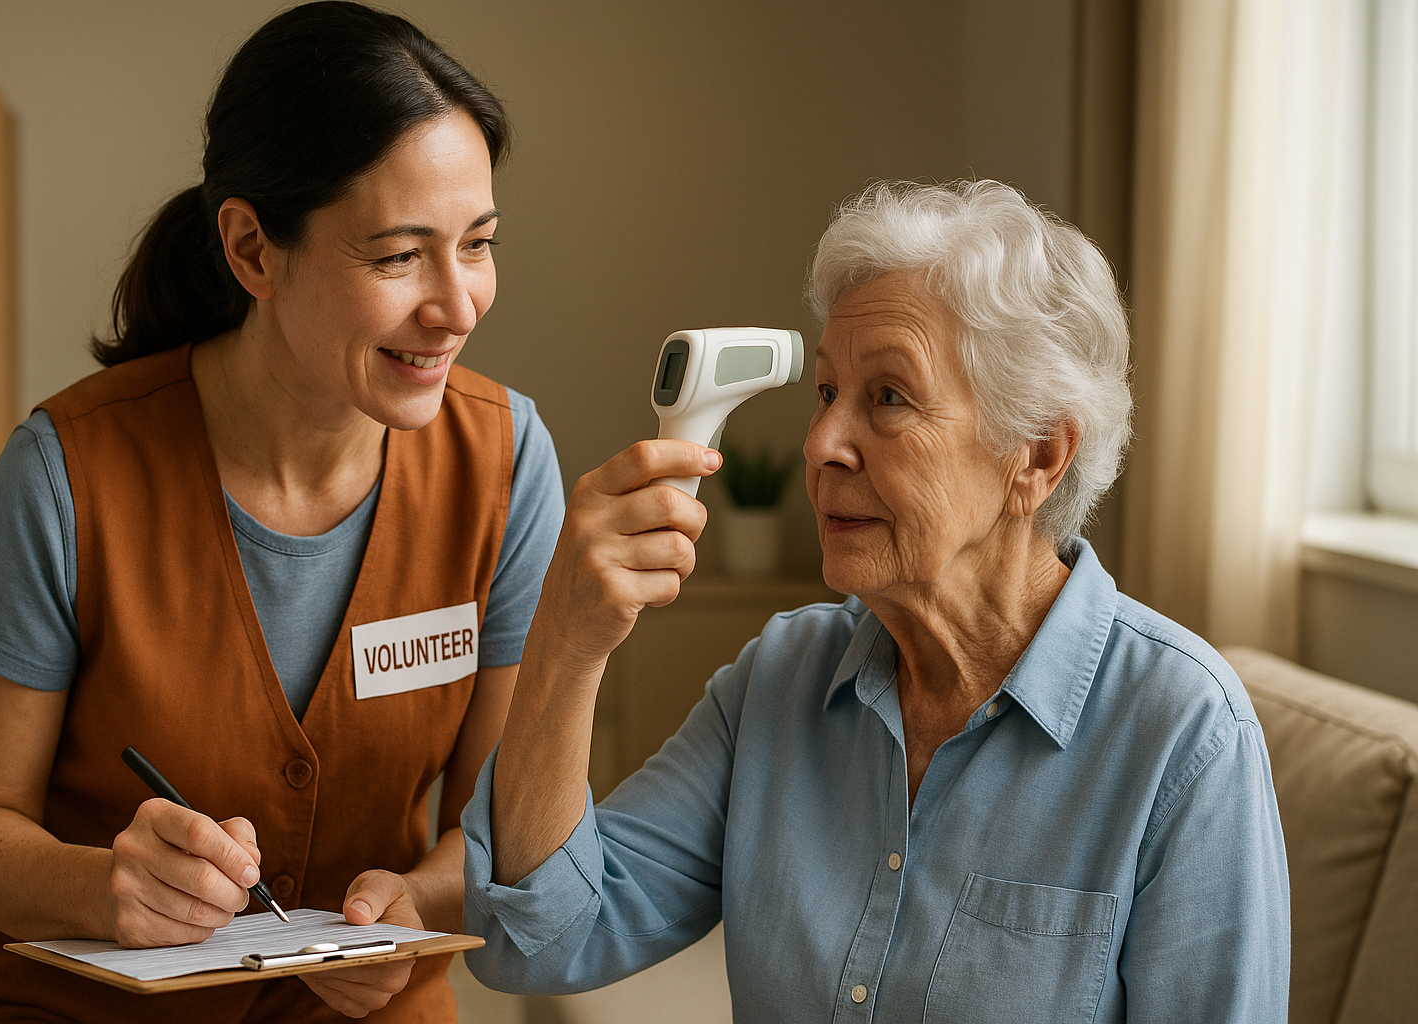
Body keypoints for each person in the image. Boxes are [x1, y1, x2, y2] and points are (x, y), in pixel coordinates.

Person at [462, 180, 1291, 1021]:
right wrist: (567, 640)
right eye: (826, 393)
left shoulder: (1183, 735)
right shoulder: (780, 680)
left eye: (889, 397)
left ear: (1038, 455)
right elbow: (536, 939)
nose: (820, 444)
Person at [0, 4, 563, 1021]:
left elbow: (494, 826)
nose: (458, 306)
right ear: (254, 250)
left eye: (477, 244)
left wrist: (413, 907)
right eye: (399, 256)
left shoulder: (509, 463)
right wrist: (103, 887)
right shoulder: (65, 471)